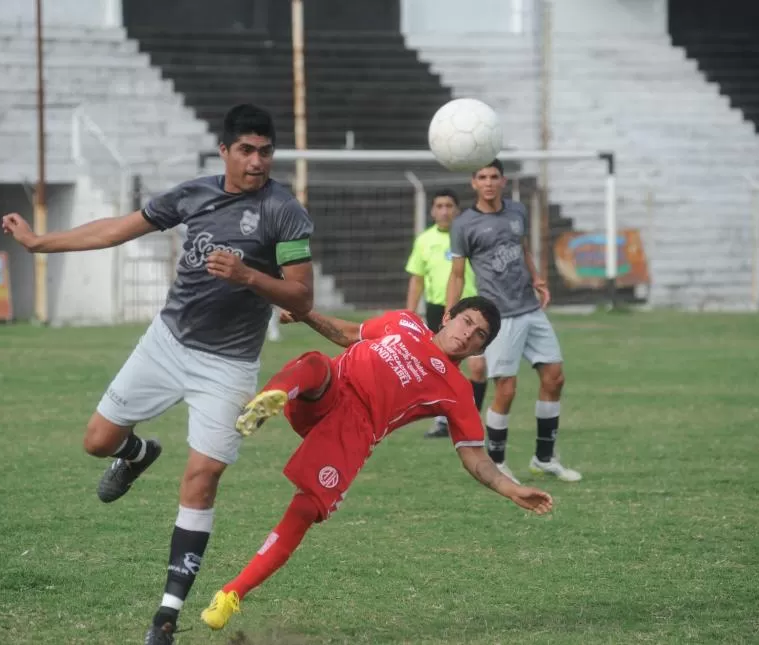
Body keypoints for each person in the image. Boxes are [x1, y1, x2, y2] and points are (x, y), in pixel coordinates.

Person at [0, 104, 314, 645]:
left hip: (229, 366)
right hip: (166, 345)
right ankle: (137, 453)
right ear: (225, 151)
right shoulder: (193, 194)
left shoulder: (284, 211)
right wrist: (38, 242)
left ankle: (165, 616)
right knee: (97, 442)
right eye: (246, 150)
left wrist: (248, 276)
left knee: (202, 478)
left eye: (265, 151)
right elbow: (115, 231)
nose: (257, 161)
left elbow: (302, 295)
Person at [198, 297, 555, 631]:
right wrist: (307, 314)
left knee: (307, 509)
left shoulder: (457, 391)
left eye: (479, 335)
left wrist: (511, 488)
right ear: (447, 317)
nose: (467, 334)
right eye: (466, 322)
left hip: (356, 429)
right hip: (333, 387)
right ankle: (267, 400)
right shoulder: (404, 322)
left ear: (480, 349)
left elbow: (475, 457)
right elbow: (350, 334)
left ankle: (231, 594)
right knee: (316, 364)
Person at [445, 160, 581, 483]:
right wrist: (452, 314)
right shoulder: (464, 224)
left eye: (494, 177)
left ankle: (544, 458)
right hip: (499, 316)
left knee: (555, 377)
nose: (489, 183)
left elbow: (522, 249)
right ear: (473, 183)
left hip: (530, 308)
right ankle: (495, 461)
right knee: (506, 389)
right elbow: (457, 273)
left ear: (503, 181)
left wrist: (537, 278)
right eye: (483, 177)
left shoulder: (517, 211)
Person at [405, 188, 488, 438]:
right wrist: (410, 312)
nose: (444, 211)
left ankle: (470, 416)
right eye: (439, 206)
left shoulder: (467, 235)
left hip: (471, 309)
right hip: (437, 310)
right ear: (432, 211)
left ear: (457, 210)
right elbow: (417, 279)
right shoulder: (424, 240)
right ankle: (443, 422)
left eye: (449, 206)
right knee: (444, 369)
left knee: (477, 367)